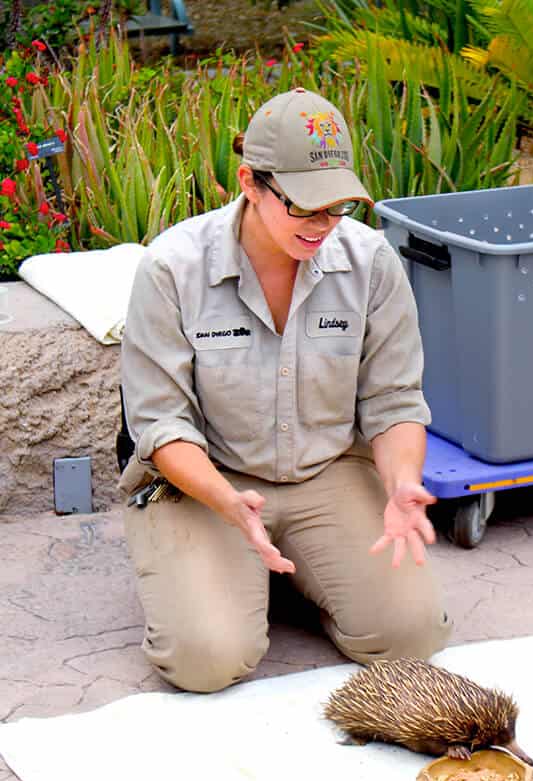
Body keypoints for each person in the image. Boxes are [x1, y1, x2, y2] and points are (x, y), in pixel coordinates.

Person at [118, 87, 452, 693]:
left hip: (327, 471)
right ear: (250, 182)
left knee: (412, 637)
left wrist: (403, 482)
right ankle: (222, 570)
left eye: (338, 207)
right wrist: (224, 501)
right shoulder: (171, 268)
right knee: (205, 660)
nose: (323, 224)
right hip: (209, 480)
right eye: (304, 206)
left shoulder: (372, 262)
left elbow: (394, 401)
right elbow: (159, 424)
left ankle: (284, 574)